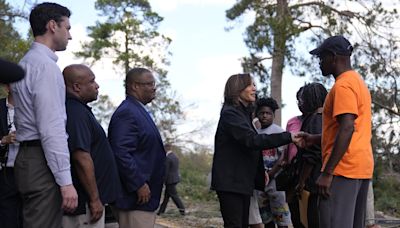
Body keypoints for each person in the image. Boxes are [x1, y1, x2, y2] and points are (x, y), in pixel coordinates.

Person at [11, 3, 78, 227]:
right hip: (41, 161)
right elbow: (51, 128)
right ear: (52, 26)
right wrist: (66, 181)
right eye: (67, 28)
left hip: (28, 158)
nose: (69, 35)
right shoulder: (45, 67)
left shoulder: (26, 64)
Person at [298, 35, 374, 228]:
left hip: (342, 170)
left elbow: (347, 127)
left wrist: (328, 172)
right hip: (360, 168)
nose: (319, 63)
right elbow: (347, 129)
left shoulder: (343, 86)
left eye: (321, 58)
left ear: (333, 57)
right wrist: (314, 139)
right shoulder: (357, 82)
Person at [211, 73, 299, 228]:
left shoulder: (243, 114)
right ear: (238, 89)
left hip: (242, 182)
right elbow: (252, 141)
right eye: (250, 85)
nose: (254, 88)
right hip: (231, 183)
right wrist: (289, 136)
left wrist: (260, 172)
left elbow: (248, 149)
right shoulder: (231, 114)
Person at [62, 64, 121, 228]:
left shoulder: (79, 110)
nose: (97, 86)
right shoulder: (75, 112)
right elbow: (81, 157)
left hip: (89, 202)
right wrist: (94, 199)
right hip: (85, 205)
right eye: (92, 81)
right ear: (77, 87)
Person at [108, 67, 166, 228]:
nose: (154, 87)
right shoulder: (127, 113)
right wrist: (138, 184)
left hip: (142, 199)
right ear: (135, 86)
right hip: (134, 198)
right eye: (149, 83)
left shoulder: (138, 111)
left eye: (154, 83)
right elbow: (121, 152)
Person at [294, 82, 328, 228]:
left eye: (302, 99)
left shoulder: (315, 119)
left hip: (314, 180)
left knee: (312, 220)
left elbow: (312, 155)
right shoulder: (329, 118)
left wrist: (301, 181)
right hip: (326, 177)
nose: (300, 103)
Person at [255, 97, 291, 228]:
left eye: (268, 113)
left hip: (275, 182)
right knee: (266, 217)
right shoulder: (256, 134)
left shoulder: (278, 132)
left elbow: (283, 157)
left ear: (273, 115)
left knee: (281, 217)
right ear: (257, 114)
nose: (265, 116)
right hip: (260, 183)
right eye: (261, 113)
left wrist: (270, 174)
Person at [0, 84, 22, 228]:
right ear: (7, 87)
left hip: (29, 171)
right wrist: (3, 140)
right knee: (7, 217)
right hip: (5, 172)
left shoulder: (32, 108)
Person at [157, 143, 185, 216]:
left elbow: (166, 171)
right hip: (175, 179)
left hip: (170, 180)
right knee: (166, 197)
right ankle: (160, 211)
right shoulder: (175, 156)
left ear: (166, 148)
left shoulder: (168, 158)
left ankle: (182, 210)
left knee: (174, 196)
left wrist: (163, 181)